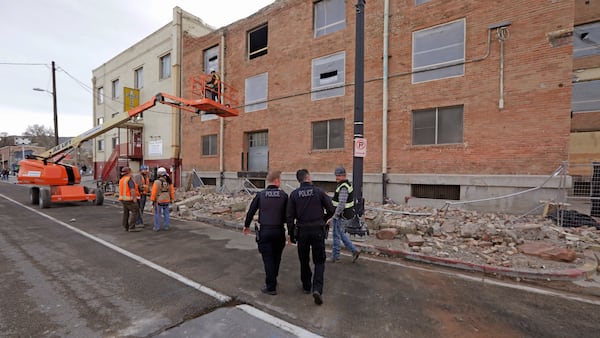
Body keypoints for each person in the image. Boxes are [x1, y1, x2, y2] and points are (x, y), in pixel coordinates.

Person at [286, 169, 335, 305]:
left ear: (299, 180)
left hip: (302, 231)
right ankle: (317, 288)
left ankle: (306, 286)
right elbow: (331, 209)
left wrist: (291, 233)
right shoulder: (318, 192)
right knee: (319, 261)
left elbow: (289, 217)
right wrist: (323, 219)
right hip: (317, 229)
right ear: (308, 177)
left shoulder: (294, 195)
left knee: (304, 259)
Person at [243, 171, 289, 296]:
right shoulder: (284, 195)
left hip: (265, 231)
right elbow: (289, 215)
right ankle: (273, 279)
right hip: (279, 231)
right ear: (277, 181)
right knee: (277, 257)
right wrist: (291, 232)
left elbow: (251, 211)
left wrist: (246, 226)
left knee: (268, 258)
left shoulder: (261, 195)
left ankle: (271, 286)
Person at [330, 166, 361, 263]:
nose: (337, 178)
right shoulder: (344, 185)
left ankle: (335, 256)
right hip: (343, 215)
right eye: (336, 175)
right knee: (341, 234)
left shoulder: (343, 187)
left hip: (340, 215)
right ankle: (354, 250)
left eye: (339, 176)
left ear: (344, 175)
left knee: (336, 235)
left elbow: (341, 203)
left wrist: (335, 215)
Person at [151, 167, 174, 231]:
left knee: (157, 214)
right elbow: (172, 191)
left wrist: (152, 200)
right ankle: (166, 226)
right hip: (167, 199)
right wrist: (172, 199)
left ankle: (157, 227)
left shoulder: (157, 182)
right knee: (166, 213)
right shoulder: (169, 181)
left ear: (158, 174)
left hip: (159, 200)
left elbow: (154, 192)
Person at [118, 167, 140, 232]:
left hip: (123, 199)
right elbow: (132, 190)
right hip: (129, 199)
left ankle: (125, 226)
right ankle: (132, 227)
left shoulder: (122, 180)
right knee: (135, 210)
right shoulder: (129, 179)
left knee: (126, 212)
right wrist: (134, 199)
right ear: (129, 172)